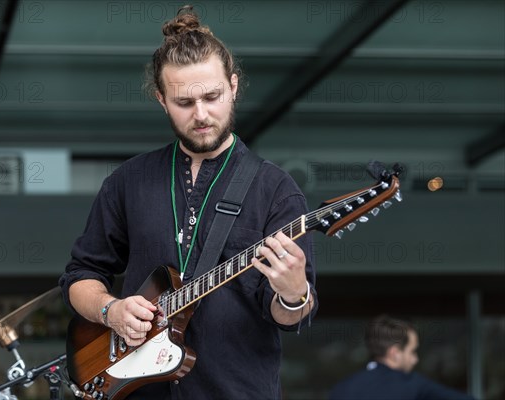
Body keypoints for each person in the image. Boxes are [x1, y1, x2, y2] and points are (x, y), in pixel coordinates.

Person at [59, 5, 317, 400]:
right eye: (183, 103)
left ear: (233, 85)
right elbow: (81, 275)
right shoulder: (129, 181)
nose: (201, 115)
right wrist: (111, 310)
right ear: (161, 99)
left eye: (212, 97)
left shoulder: (276, 191)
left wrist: (294, 293)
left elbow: (289, 318)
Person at [329, 315, 476, 400]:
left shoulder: (342, 389)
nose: (416, 359)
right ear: (395, 353)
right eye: (412, 351)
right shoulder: (410, 383)